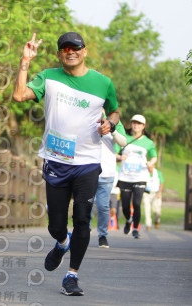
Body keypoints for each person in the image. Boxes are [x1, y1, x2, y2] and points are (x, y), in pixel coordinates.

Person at [12, 32, 119, 296]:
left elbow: (115, 110)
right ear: (59, 54)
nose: (71, 52)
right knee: (56, 225)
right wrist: (25, 61)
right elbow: (19, 95)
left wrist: (111, 123)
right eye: (65, 49)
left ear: (85, 51)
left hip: (88, 162)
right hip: (56, 160)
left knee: (82, 218)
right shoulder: (48, 77)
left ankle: (72, 275)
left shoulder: (103, 83)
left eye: (76, 47)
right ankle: (62, 242)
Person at [115, 114, 158, 239]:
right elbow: (115, 151)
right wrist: (120, 157)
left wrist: (151, 163)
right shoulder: (124, 138)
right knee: (125, 206)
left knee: (137, 203)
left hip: (140, 177)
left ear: (143, 126)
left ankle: (135, 229)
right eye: (134, 122)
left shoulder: (148, 142)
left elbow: (154, 156)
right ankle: (129, 219)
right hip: (125, 176)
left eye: (139, 123)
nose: (136, 125)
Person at [92, 118, 127, 248]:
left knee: (103, 206)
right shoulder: (88, 114)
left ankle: (102, 235)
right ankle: (83, 231)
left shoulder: (115, 120)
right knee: (86, 204)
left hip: (106, 172)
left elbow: (123, 142)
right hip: (87, 170)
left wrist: (113, 129)